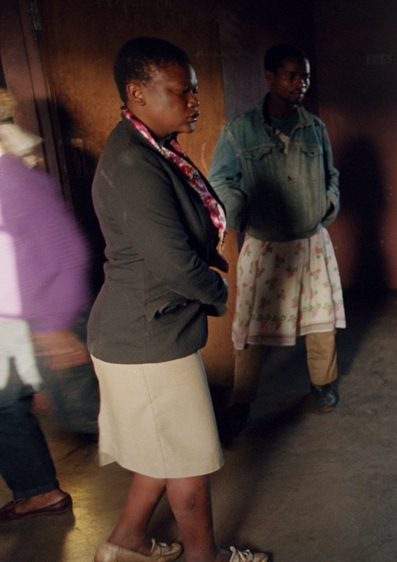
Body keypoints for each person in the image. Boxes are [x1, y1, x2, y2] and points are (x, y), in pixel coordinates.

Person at [88, 37, 267, 562]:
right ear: (137, 93)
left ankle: (126, 542)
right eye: (181, 91)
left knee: (161, 447)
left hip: (143, 331)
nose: (194, 101)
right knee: (187, 458)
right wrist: (221, 291)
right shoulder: (135, 164)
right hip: (146, 340)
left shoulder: (149, 149)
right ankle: (204, 557)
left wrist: (201, 262)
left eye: (193, 90)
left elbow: (168, 242)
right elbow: (173, 266)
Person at [208, 43, 345, 443]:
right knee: (252, 328)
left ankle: (323, 385)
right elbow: (221, 181)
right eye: (291, 75)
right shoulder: (239, 131)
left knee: (321, 325)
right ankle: (243, 402)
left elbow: (331, 174)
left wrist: (327, 205)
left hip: (311, 243)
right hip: (266, 246)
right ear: (269, 77)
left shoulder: (314, 128)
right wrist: (243, 214)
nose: (300, 83)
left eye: (304, 76)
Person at [0, 99, 88, 524]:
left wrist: (54, 327)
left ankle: (183, 461)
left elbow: (66, 251)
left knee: (89, 411)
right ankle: (38, 491)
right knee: (6, 405)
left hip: (38, 320)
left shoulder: (11, 179)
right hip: (16, 322)